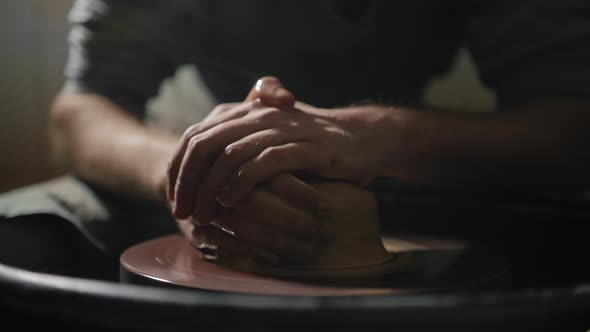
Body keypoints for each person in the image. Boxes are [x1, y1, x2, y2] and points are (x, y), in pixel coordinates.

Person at [1, 0, 590, 284]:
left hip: (407, 170)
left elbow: (570, 129)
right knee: (24, 237)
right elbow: (82, 110)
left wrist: (375, 136)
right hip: (198, 169)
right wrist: (186, 173)